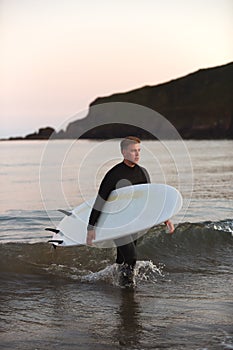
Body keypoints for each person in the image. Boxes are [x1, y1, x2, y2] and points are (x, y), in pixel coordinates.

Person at [86, 136, 174, 285]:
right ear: (124, 152)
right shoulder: (113, 175)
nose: (137, 154)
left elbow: (149, 199)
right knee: (131, 258)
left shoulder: (143, 173)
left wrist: (165, 217)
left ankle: (120, 288)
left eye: (139, 150)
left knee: (122, 259)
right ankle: (128, 289)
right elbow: (101, 201)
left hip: (134, 223)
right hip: (117, 223)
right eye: (133, 151)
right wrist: (91, 227)